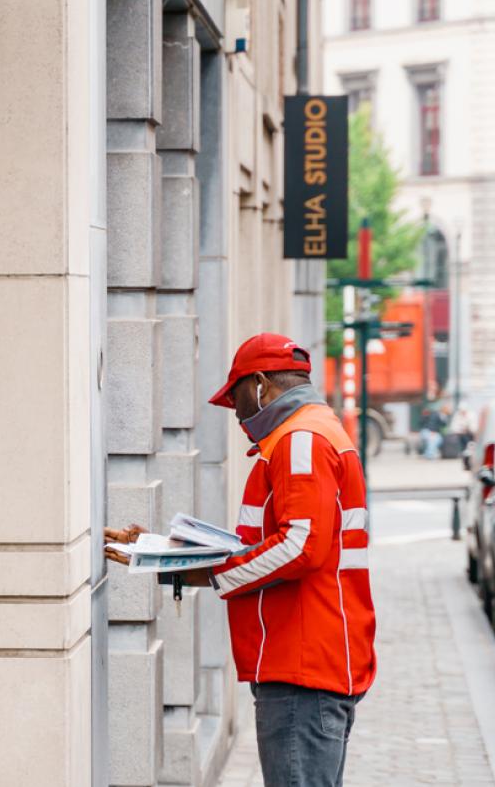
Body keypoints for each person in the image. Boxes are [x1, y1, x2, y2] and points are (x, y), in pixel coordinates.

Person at [106, 333, 376, 787]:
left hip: (302, 665)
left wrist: (210, 571)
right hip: (308, 661)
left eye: (236, 399)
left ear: (261, 384)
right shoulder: (310, 433)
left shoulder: (301, 440)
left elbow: (299, 547)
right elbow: (271, 546)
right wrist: (169, 555)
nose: (236, 415)